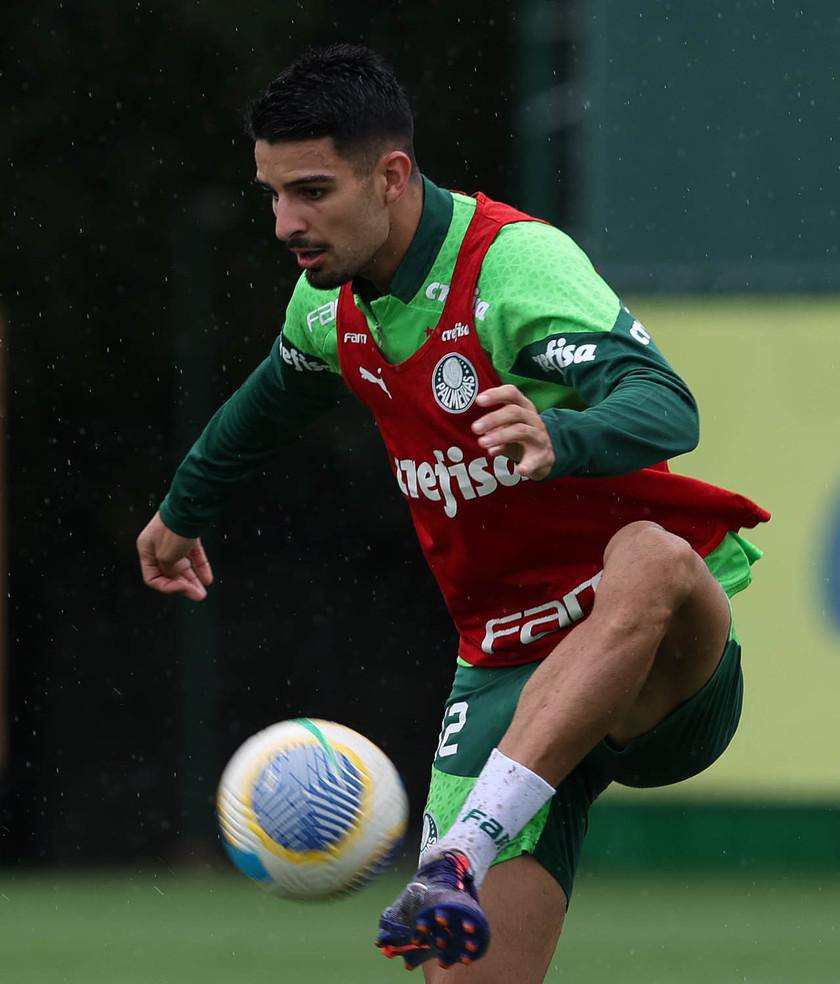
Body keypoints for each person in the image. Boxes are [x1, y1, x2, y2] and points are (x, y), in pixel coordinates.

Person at [136, 43, 769, 983]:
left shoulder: (514, 268)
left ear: (391, 176)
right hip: (506, 674)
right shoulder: (328, 309)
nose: (285, 223)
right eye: (273, 194)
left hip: (656, 665)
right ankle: (470, 846)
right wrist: (182, 512)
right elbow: (267, 404)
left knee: (650, 552)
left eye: (311, 191)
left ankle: (460, 849)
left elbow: (665, 402)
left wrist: (567, 440)